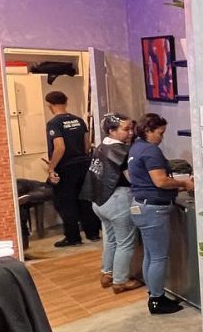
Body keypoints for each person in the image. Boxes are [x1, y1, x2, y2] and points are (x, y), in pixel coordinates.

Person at [128, 114, 194, 315]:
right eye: (160, 133)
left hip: (140, 205)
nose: (162, 138)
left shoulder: (136, 147)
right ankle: (157, 299)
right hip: (153, 209)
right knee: (158, 257)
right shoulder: (151, 151)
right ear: (148, 130)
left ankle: (154, 292)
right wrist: (184, 183)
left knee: (150, 254)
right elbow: (161, 181)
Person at [84, 113, 143, 294]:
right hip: (117, 201)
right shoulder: (122, 152)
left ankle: (107, 273)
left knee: (110, 240)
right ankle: (120, 281)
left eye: (132, 128)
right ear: (111, 130)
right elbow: (132, 178)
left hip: (99, 202)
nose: (131, 133)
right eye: (126, 129)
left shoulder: (101, 146)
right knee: (125, 242)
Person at [43, 91, 101, 247]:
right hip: (83, 164)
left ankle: (73, 237)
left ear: (50, 105)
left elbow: (60, 147)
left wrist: (51, 167)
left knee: (65, 203)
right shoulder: (79, 120)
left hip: (66, 167)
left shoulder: (54, 123)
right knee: (84, 200)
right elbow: (87, 145)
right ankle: (93, 233)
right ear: (66, 102)